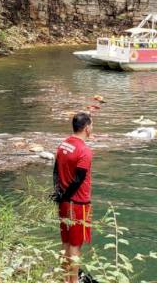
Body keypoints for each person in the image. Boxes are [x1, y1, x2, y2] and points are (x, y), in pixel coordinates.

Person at [52, 112, 94, 283]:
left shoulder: (63, 145)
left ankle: (65, 279)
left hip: (63, 202)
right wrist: (67, 196)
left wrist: (59, 193)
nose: (92, 128)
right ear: (86, 128)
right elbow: (78, 179)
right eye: (92, 125)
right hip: (78, 204)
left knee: (66, 243)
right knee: (76, 245)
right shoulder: (84, 150)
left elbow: (55, 171)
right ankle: (73, 281)